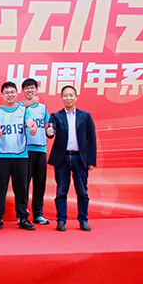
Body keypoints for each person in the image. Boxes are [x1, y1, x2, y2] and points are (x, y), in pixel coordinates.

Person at [0, 81, 38, 231]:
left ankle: (23, 218)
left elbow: (30, 122)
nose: (10, 95)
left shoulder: (24, 110)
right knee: (0, 189)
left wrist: (32, 127)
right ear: (2, 95)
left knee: (21, 188)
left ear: (17, 94)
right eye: (7, 93)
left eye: (12, 92)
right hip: (1, 156)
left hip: (20, 155)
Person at [48, 85, 97, 231]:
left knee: (82, 191)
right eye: (65, 95)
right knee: (61, 191)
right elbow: (51, 129)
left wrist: (91, 160)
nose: (68, 98)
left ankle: (83, 220)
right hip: (62, 158)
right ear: (61, 98)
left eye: (71, 95)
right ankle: (61, 220)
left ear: (76, 97)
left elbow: (92, 139)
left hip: (79, 159)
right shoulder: (56, 116)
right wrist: (49, 131)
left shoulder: (85, 116)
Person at [21, 78, 52, 226]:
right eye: (27, 88)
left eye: (32, 88)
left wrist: (50, 131)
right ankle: (22, 215)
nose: (30, 90)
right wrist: (29, 104)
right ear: (23, 91)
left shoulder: (43, 108)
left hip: (41, 149)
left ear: (36, 90)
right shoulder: (20, 107)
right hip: (25, 150)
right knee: (24, 184)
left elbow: (47, 126)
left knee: (40, 184)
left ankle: (38, 214)